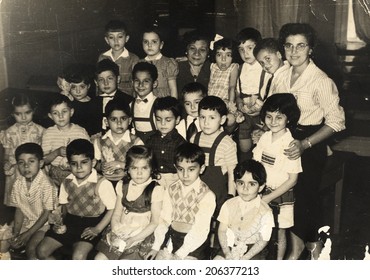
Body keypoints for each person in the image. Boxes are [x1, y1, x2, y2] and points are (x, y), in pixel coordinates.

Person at [272, 23, 345, 259]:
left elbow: (336, 122)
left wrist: (305, 144)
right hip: (283, 137)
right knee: (279, 191)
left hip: (309, 142)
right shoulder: (280, 74)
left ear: (311, 49)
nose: (294, 51)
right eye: (289, 46)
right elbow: (274, 108)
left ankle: (307, 243)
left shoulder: (321, 80)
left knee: (303, 192)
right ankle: (287, 243)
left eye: (301, 45)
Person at [37, 139, 116, 260]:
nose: (79, 167)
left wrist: (98, 229)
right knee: (41, 251)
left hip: (92, 225)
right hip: (70, 223)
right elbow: (64, 207)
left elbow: (112, 209)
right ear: (69, 164)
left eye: (84, 162)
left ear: (93, 162)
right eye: (74, 163)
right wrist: (60, 222)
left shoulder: (102, 183)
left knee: (78, 256)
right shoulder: (66, 182)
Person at [145, 142, 216, 260]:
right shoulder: (171, 189)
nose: (185, 175)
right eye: (180, 169)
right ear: (175, 167)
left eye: (191, 169)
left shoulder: (207, 195)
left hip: (194, 244)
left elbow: (200, 230)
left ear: (201, 168)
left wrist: (180, 254)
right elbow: (164, 220)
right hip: (172, 237)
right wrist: (156, 247)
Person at [252, 94, 302, 259]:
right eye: (269, 116)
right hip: (261, 192)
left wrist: (269, 197)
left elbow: (292, 179)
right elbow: (255, 164)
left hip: (280, 196)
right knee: (260, 229)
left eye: (279, 117)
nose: (273, 122)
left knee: (279, 232)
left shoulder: (290, 144)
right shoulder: (265, 137)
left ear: (288, 119)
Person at [95, 145, 164, 260]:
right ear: (128, 169)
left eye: (144, 168)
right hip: (121, 229)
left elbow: (154, 222)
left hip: (141, 236)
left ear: (152, 169)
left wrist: (133, 239)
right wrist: (116, 230)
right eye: (134, 168)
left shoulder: (155, 189)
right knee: (99, 259)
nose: (139, 173)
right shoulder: (123, 185)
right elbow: (116, 213)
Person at [213, 159, 274, 260]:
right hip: (230, 246)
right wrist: (227, 253)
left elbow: (264, 239)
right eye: (241, 183)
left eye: (252, 184)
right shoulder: (228, 205)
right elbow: (222, 231)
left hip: (254, 251)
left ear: (261, 187)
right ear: (235, 184)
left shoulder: (266, 211)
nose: (245, 189)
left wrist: (246, 257)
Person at [8, 143, 57, 259]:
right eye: (21, 162)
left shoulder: (47, 185)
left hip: (45, 224)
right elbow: (19, 209)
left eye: (31, 161)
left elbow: (46, 214)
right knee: (6, 242)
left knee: (32, 249)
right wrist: (16, 232)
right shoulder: (18, 183)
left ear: (40, 163)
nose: (26, 166)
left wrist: (27, 234)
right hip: (27, 222)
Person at [191, 96, 238, 213]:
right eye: (202, 117)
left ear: (222, 120)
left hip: (218, 192)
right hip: (196, 190)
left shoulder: (227, 143)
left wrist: (231, 196)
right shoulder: (194, 139)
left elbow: (232, 172)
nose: (206, 122)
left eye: (212, 118)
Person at [1, 93, 44, 206]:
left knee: (35, 200)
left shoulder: (41, 131)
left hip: (35, 169)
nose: (23, 117)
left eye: (27, 113)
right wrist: (6, 162)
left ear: (33, 111)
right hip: (16, 171)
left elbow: (44, 153)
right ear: (12, 114)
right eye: (18, 114)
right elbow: (6, 154)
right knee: (18, 201)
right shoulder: (8, 132)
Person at [235, 28, 272, 158]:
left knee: (262, 146)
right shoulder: (239, 68)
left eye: (250, 48)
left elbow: (268, 91)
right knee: (244, 148)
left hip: (261, 114)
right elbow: (237, 92)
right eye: (241, 49)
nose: (245, 53)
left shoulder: (265, 68)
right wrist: (239, 104)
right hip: (245, 114)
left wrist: (258, 106)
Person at [41, 95, 90, 187]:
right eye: (55, 113)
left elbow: (88, 155)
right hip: (55, 174)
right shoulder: (48, 133)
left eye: (64, 111)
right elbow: (44, 160)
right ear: (50, 116)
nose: (60, 116)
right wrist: (56, 152)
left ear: (71, 112)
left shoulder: (80, 132)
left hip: (76, 172)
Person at [93, 99, 143, 188]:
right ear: (106, 122)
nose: (119, 123)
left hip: (128, 182)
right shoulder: (99, 141)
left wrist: (121, 164)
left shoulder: (136, 142)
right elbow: (94, 163)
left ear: (130, 120)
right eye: (113, 119)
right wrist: (101, 166)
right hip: (105, 183)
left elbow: (141, 164)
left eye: (123, 118)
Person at [146, 96, 186, 189]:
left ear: (177, 120)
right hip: (154, 178)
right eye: (158, 119)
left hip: (174, 179)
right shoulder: (150, 140)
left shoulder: (181, 143)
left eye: (168, 120)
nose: (163, 124)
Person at [98, 20, 139, 96]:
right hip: (107, 98)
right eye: (111, 37)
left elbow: (136, 83)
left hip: (126, 100)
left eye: (120, 37)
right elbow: (99, 81)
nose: (116, 41)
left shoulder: (133, 59)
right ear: (107, 40)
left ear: (126, 38)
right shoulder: (102, 57)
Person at [95, 59, 134, 130]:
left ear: (118, 79)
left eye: (110, 78)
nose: (105, 83)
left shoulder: (128, 100)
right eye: (101, 80)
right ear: (96, 82)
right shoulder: (93, 102)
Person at [140, 25, 179, 98]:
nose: (149, 45)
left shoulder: (168, 63)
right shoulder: (139, 63)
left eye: (154, 42)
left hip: (163, 102)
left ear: (161, 45)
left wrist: (173, 106)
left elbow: (173, 89)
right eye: (146, 42)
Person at [65, 65, 102, 138]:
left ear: (88, 86)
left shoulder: (97, 103)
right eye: (73, 87)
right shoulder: (69, 104)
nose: (78, 91)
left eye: (82, 87)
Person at [177, 30, 211, 102]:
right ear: (186, 50)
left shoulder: (214, 69)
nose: (196, 53)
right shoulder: (175, 68)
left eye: (202, 50)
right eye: (192, 48)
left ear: (208, 53)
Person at [130, 62, 158, 143]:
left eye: (146, 81)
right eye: (137, 81)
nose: (140, 85)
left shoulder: (158, 104)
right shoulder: (131, 105)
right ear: (132, 82)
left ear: (154, 83)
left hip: (155, 145)